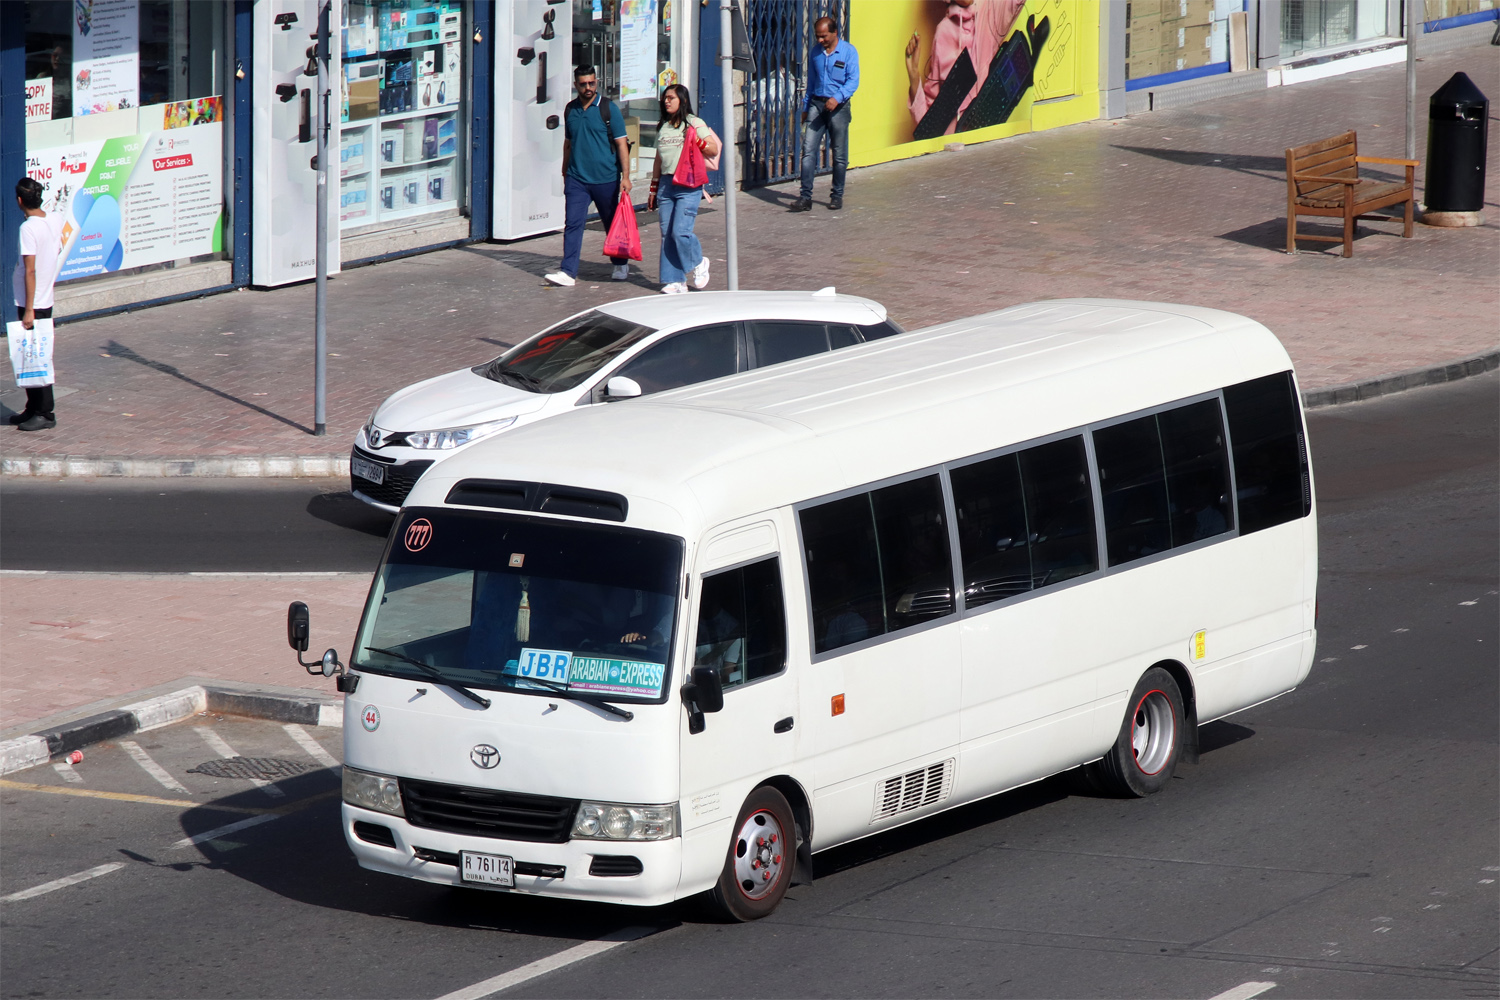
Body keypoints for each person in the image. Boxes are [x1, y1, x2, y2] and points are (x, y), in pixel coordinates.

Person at [545, 65, 634, 288]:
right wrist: (565, 171)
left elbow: (622, 144)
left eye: (592, 83)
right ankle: (568, 272)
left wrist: (626, 176)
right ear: (576, 85)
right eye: (583, 84)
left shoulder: (608, 109)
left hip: (606, 179)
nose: (588, 88)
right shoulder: (570, 110)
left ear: (597, 82)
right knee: (573, 224)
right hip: (577, 179)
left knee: (611, 223)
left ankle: (620, 262)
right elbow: (568, 143)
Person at [905, 0, 1025, 135]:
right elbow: (928, 125)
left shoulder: (989, 11)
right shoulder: (943, 33)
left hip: (984, 141)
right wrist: (914, 74)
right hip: (951, 147)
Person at [647, 84, 718, 295]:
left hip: (688, 184)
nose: (666, 101)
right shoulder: (663, 126)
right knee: (666, 233)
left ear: (683, 101)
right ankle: (675, 281)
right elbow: (659, 158)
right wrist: (653, 188)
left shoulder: (695, 123)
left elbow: (712, 148)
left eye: (671, 98)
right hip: (667, 186)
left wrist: (696, 139)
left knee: (680, 231)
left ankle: (698, 261)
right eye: (664, 98)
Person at [10, 177, 65, 431]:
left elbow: (29, 270)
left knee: (38, 355)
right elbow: (59, 244)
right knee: (30, 353)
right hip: (44, 296)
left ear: (20, 200)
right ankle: (32, 407)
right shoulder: (53, 218)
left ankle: (45, 412)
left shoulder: (28, 229)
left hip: (33, 301)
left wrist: (29, 309)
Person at [791, 17, 859, 212]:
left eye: (824, 36)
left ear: (835, 33)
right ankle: (805, 197)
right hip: (817, 105)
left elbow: (853, 80)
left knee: (839, 154)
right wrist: (805, 108)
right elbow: (811, 83)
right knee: (808, 150)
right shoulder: (815, 53)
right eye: (818, 36)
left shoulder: (848, 52)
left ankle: (837, 196)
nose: (820, 40)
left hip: (838, 107)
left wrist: (837, 98)